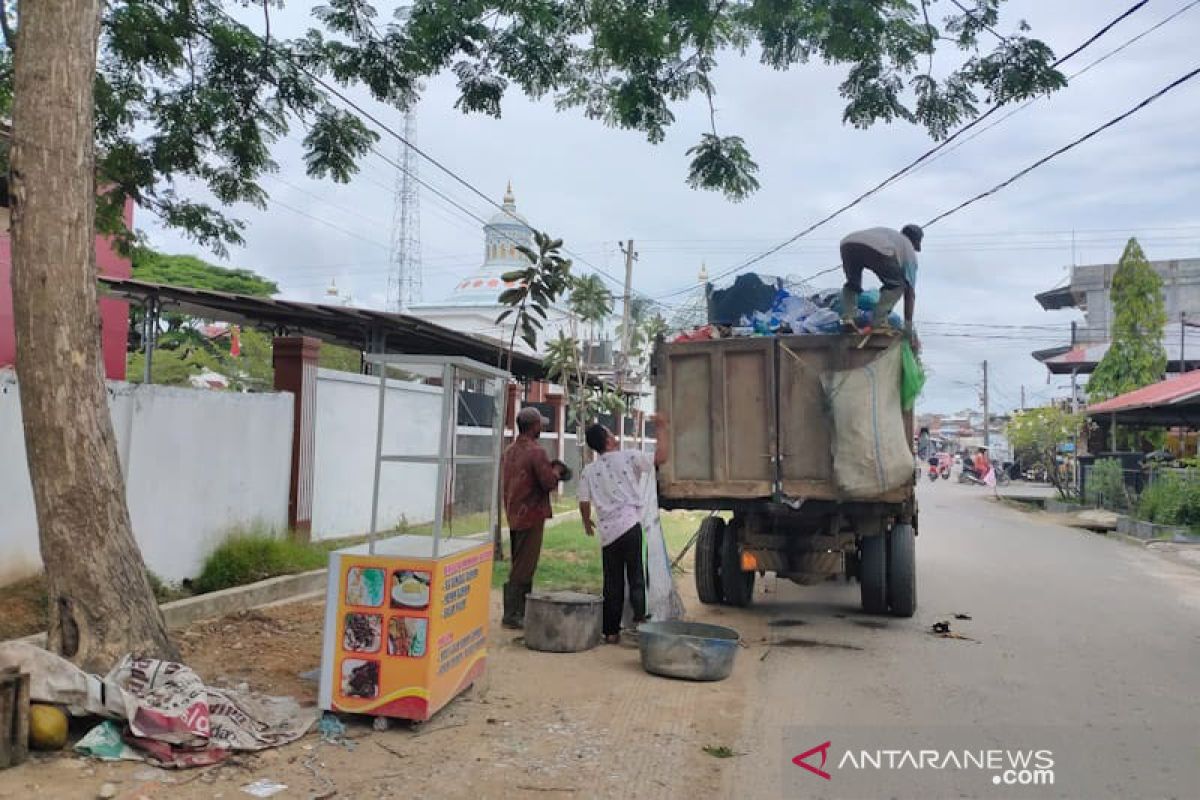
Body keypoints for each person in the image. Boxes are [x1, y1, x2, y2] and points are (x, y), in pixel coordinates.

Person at [578, 417, 670, 644]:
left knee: (612, 581)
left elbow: (583, 501)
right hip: (630, 526)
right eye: (611, 433)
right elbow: (661, 458)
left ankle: (611, 632)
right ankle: (639, 623)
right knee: (636, 575)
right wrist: (661, 428)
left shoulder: (589, 470)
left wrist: (586, 521)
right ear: (608, 439)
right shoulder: (629, 456)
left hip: (608, 534)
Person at [500, 406, 567, 629]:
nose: (542, 428)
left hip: (513, 512)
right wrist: (557, 471)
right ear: (534, 426)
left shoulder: (510, 450)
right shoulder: (536, 452)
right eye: (540, 425)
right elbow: (548, 483)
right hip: (531, 515)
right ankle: (513, 614)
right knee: (525, 566)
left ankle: (518, 611)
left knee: (518, 561)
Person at [839, 224, 923, 334]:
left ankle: (848, 318)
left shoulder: (889, 234)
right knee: (897, 285)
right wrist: (908, 328)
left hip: (848, 243)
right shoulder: (909, 251)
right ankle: (879, 323)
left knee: (853, 284)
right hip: (879, 249)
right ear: (915, 242)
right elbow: (910, 294)